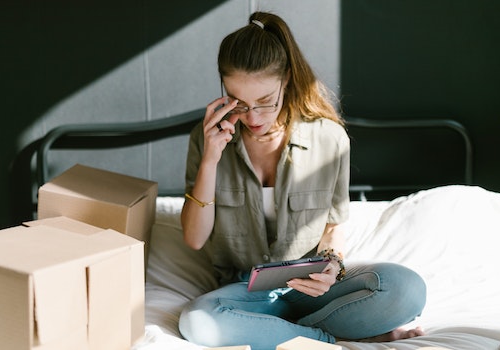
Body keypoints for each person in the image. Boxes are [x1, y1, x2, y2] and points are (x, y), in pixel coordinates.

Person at [178, 11, 426, 350]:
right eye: (240, 103)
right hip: (245, 292)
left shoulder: (329, 139)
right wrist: (210, 159)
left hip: (310, 287)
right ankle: (329, 339)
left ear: (288, 80)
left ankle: (276, 332)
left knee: (406, 288)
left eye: (266, 102)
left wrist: (333, 270)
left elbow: (332, 229)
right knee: (198, 320)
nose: (253, 118)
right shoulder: (205, 139)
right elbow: (194, 239)